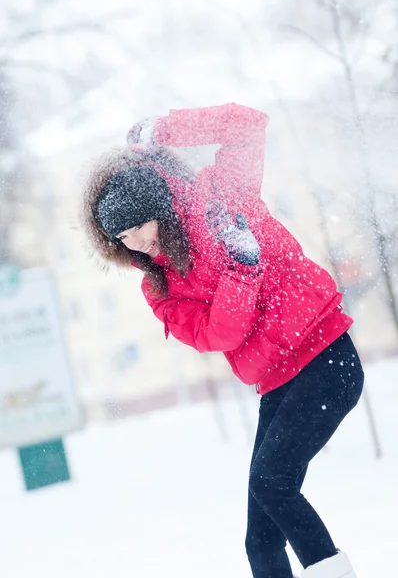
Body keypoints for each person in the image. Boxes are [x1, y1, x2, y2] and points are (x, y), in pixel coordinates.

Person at [82, 103, 364, 578]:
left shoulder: (223, 196)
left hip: (325, 360)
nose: (135, 243)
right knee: (260, 540)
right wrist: (242, 270)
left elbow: (247, 125)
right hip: (276, 384)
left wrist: (166, 129)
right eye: (122, 237)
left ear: (160, 209)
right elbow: (219, 333)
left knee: (274, 485)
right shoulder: (159, 286)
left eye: (140, 227)